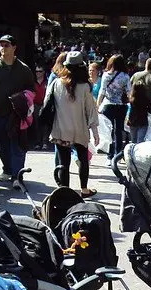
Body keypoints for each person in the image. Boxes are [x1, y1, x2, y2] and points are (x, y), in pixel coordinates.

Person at [0, 34, 34, 188]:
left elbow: (31, 91)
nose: (3, 48)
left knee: (17, 144)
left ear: (14, 47)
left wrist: (23, 101)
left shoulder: (24, 69)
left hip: (17, 115)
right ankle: (7, 169)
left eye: (6, 45)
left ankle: (17, 176)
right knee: (4, 144)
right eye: (1, 45)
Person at [46, 51, 99, 197]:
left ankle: (65, 192)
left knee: (64, 162)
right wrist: (95, 131)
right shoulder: (85, 86)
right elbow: (91, 110)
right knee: (83, 159)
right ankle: (84, 189)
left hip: (61, 128)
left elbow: (47, 104)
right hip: (80, 129)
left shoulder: (56, 83)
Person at [96, 54, 130, 160]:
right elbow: (129, 92)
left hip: (108, 105)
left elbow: (102, 91)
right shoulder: (125, 76)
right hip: (121, 106)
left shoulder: (106, 75)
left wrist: (98, 104)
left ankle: (109, 156)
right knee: (118, 131)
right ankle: (117, 155)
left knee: (108, 130)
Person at [32, 65, 48, 149]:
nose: (38, 73)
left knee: (45, 124)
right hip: (35, 105)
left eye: (40, 71)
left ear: (43, 72)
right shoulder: (33, 83)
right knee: (36, 124)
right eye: (36, 71)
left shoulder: (47, 82)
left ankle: (45, 143)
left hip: (44, 105)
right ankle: (37, 143)